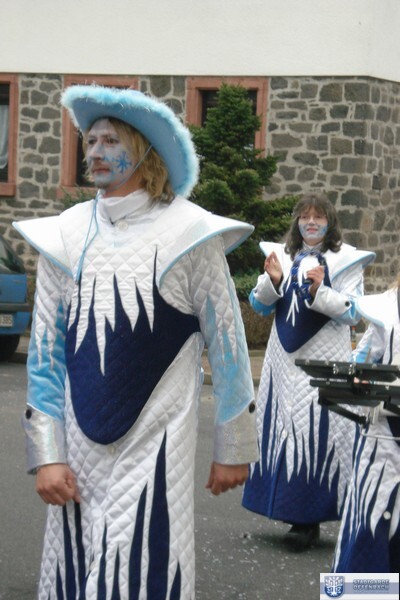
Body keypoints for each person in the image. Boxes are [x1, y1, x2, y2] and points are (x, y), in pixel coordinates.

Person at [14, 85, 259, 599]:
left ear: (146, 151)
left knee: (145, 569)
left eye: (111, 141)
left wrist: (234, 445)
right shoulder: (65, 234)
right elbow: (45, 354)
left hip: (158, 442)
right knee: (73, 573)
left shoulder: (190, 233)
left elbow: (228, 344)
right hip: (76, 450)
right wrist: (47, 453)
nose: (95, 152)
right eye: (90, 141)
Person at [241, 192, 375, 550]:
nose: (311, 222)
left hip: (324, 359)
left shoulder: (347, 261)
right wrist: (272, 281)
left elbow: (353, 312)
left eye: (318, 217)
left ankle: (308, 520)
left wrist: (321, 291)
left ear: (330, 222)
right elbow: (259, 305)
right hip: (282, 363)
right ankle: (287, 510)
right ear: (297, 222)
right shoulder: (281, 256)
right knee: (283, 429)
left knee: (318, 434)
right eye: (305, 217)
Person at [332, 276, 400, 573]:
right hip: (382, 442)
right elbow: (358, 364)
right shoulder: (386, 309)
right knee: (368, 536)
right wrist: (359, 378)